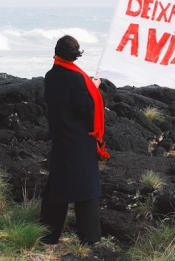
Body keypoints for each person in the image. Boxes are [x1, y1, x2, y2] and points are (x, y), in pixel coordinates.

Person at [40, 35, 109, 244]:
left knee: (57, 187)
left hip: (60, 136)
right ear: (76, 54)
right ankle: (90, 238)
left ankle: (49, 235)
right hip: (79, 139)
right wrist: (93, 89)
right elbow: (87, 109)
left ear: (57, 52)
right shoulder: (77, 78)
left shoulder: (50, 76)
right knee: (86, 189)